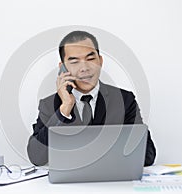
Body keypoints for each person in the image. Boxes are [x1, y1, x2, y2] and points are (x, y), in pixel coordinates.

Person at [27, 31, 156, 166]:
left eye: (90, 59)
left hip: (112, 183)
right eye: (74, 61)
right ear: (62, 68)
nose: (84, 68)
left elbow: (147, 155)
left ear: (100, 61)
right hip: (69, 185)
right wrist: (64, 109)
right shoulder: (49, 105)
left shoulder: (124, 100)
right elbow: (37, 157)